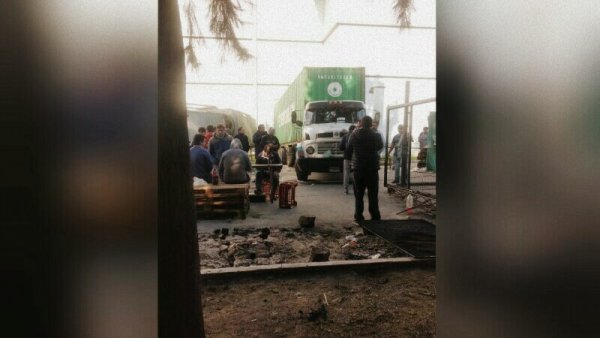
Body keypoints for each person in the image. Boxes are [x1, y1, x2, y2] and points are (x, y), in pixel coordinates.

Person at [345, 116, 383, 221]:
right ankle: (375, 216)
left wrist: (350, 162)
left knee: (359, 194)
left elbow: (348, 150)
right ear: (371, 124)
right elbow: (380, 147)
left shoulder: (354, 135)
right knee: (373, 194)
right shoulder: (376, 135)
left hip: (358, 168)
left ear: (361, 123)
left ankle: (358, 216)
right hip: (372, 168)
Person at [338, 125, 356, 194]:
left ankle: (346, 189)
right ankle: (356, 189)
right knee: (355, 173)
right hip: (355, 158)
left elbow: (341, 148)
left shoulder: (345, 137)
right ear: (354, 129)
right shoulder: (356, 136)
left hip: (347, 157)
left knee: (346, 173)